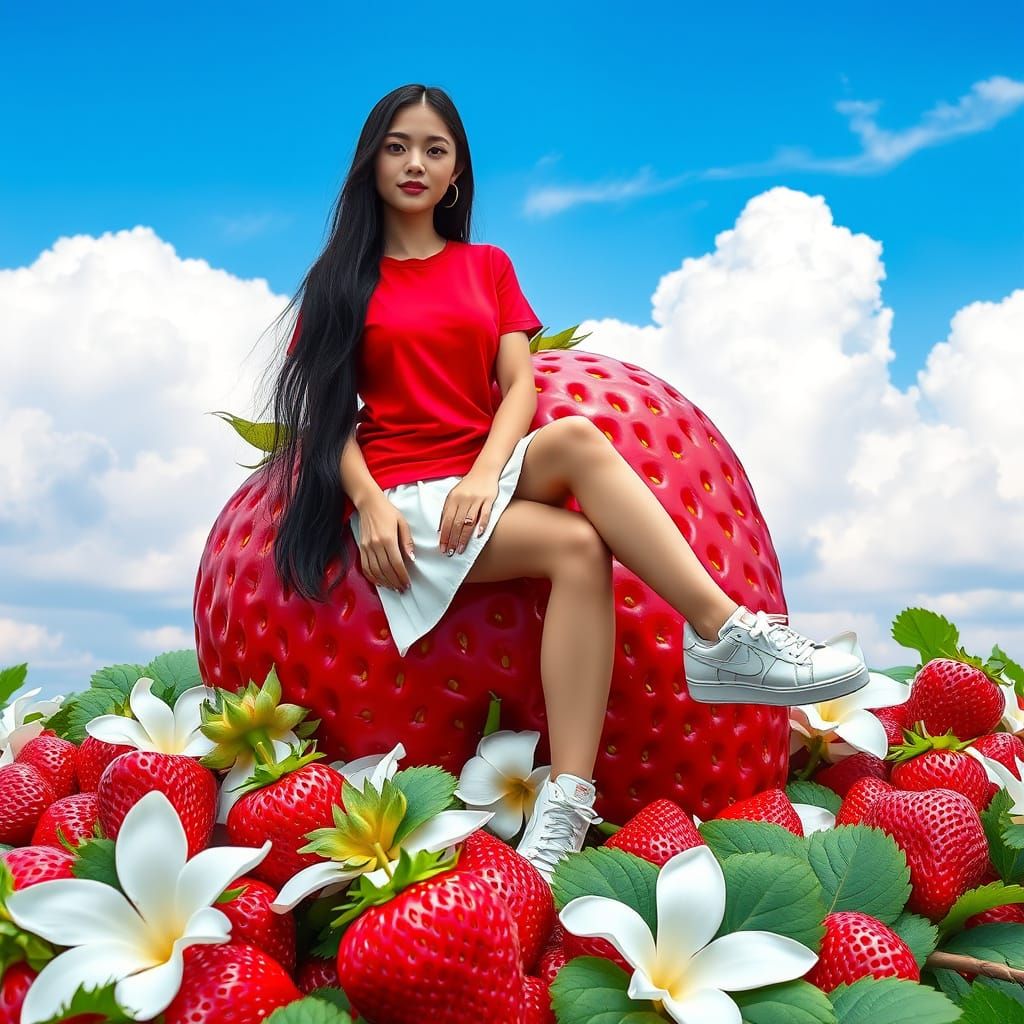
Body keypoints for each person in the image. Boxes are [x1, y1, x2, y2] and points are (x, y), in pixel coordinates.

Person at [262, 83, 870, 884]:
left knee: (580, 436)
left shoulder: (486, 267)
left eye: (435, 150)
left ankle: (724, 635)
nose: (415, 163)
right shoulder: (342, 282)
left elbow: (517, 386)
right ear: (371, 162)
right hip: (407, 499)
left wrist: (487, 473)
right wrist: (368, 503)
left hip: (479, 476)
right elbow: (326, 412)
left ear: (456, 174)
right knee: (578, 547)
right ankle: (574, 801)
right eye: (397, 146)